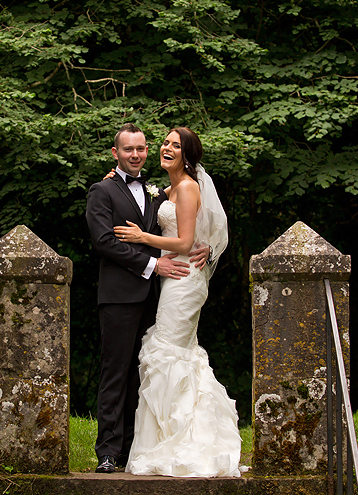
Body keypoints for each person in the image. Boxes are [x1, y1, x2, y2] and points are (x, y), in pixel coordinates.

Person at [113, 127, 244, 478]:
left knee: (169, 351)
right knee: (173, 352)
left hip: (185, 281)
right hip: (171, 280)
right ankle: (170, 435)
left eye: (176, 145)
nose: (167, 148)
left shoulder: (187, 187)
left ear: (187, 155)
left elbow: (186, 242)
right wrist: (114, 177)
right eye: (166, 143)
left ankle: (185, 439)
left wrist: (142, 237)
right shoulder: (166, 190)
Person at [86, 123, 210, 474]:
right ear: (116, 153)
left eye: (141, 148)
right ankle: (108, 451)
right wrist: (152, 265)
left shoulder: (160, 192)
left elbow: (184, 231)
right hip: (120, 296)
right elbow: (104, 242)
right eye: (129, 150)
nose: (137, 155)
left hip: (158, 297)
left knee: (144, 372)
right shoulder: (103, 190)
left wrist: (207, 247)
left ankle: (133, 447)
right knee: (116, 371)